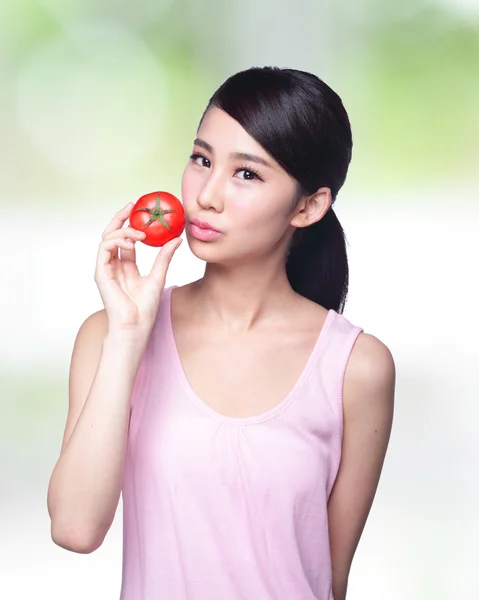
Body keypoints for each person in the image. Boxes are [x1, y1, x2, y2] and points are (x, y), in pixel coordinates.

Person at [47, 66, 395, 600]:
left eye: (247, 174)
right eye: (202, 159)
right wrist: (128, 335)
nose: (206, 195)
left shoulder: (357, 366)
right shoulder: (109, 336)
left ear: (308, 206)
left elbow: (331, 581)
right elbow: (75, 528)